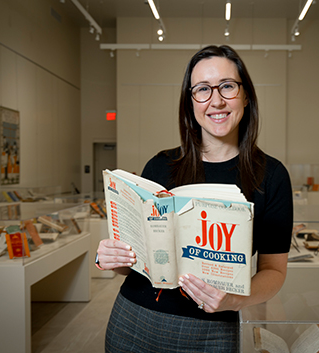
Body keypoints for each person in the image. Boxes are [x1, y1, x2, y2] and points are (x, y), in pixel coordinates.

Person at [96, 45, 293, 353]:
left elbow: (274, 270)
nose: (216, 100)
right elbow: (138, 263)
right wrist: (114, 259)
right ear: (190, 103)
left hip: (209, 332)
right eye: (202, 89)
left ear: (246, 95)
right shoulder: (160, 166)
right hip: (131, 320)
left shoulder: (272, 176)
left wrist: (235, 299)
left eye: (227, 86)